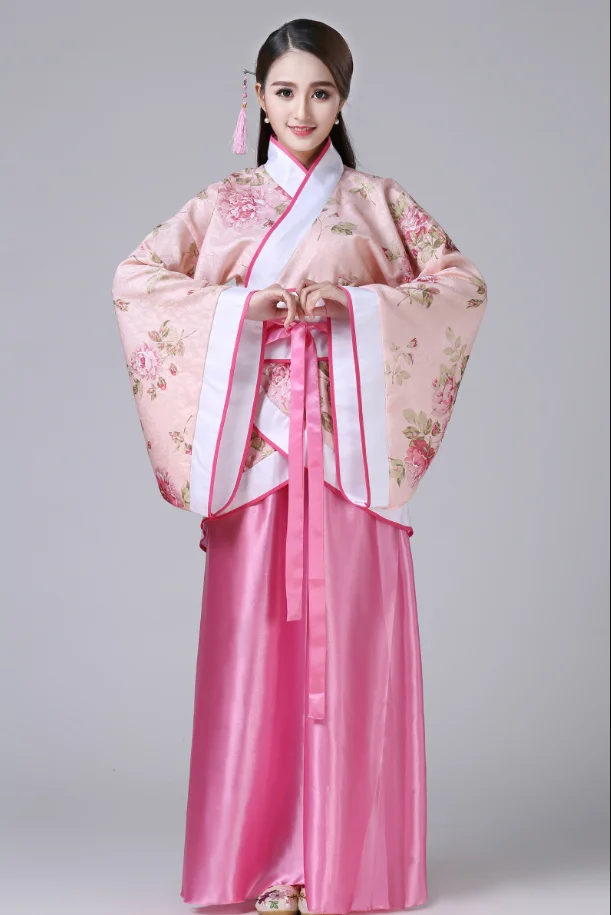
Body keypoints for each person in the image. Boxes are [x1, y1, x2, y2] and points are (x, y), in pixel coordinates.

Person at [112, 17, 488, 915]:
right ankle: (260, 863)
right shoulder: (223, 204)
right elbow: (138, 281)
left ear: (343, 99)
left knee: (349, 646)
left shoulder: (379, 203)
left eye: (320, 92)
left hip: (348, 451)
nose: (302, 110)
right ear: (256, 97)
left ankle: (343, 861)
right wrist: (242, 309)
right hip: (258, 453)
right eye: (283, 91)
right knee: (253, 653)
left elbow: (458, 286)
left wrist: (353, 307)